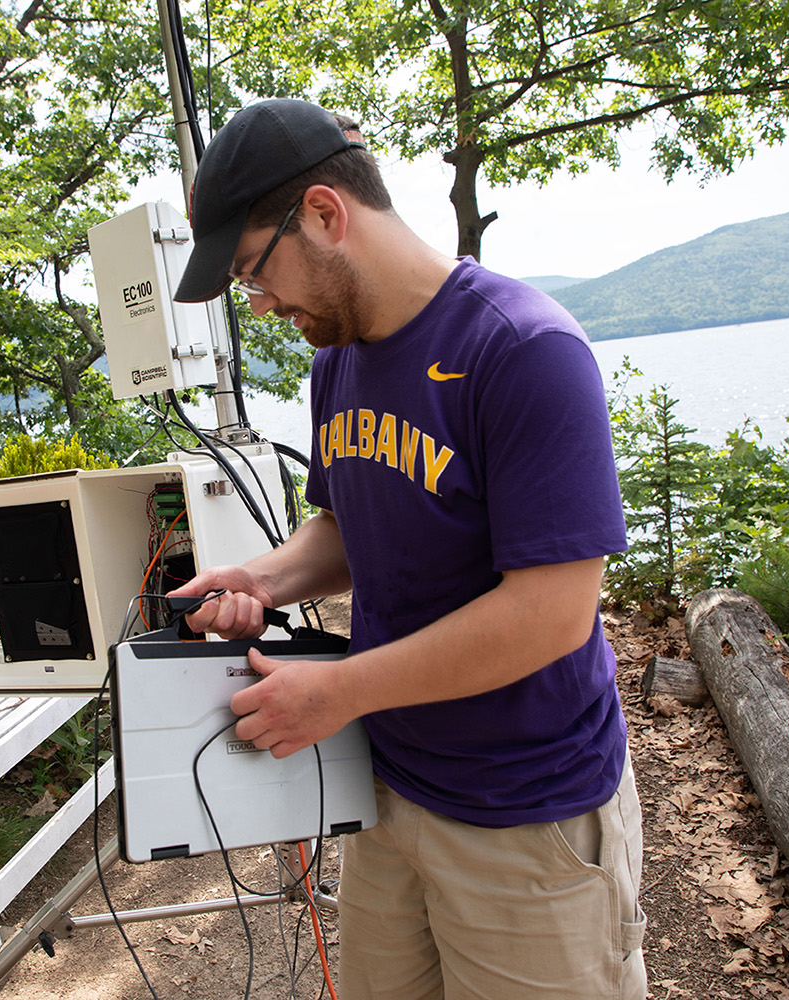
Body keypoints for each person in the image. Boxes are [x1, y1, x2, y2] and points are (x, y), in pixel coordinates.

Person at [167, 98, 645, 1000]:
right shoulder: (336, 361)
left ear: (324, 214)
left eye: (253, 274)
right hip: (386, 790)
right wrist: (261, 578)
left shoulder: (524, 348)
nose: (262, 307)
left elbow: (551, 613)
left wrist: (336, 692)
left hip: (526, 812)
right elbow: (350, 525)